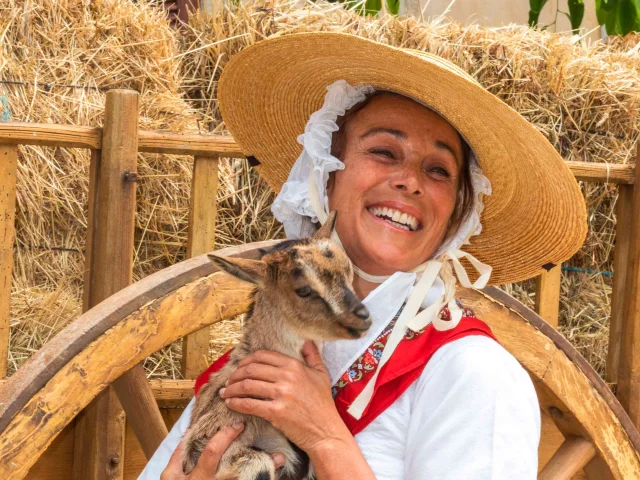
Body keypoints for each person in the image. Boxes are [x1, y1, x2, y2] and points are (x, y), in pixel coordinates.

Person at [142, 32, 587, 480]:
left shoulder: (472, 373)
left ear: (456, 216)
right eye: (382, 152)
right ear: (325, 176)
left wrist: (326, 439)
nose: (410, 181)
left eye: (437, 170)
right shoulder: (251, 370)